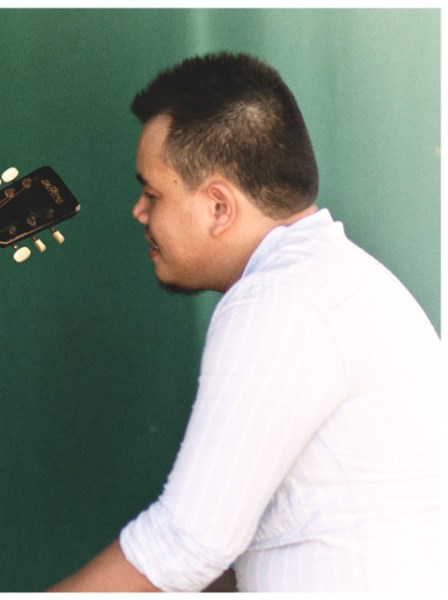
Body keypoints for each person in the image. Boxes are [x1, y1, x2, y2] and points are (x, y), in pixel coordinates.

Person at [49, 52, 440, 592]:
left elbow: (185, 545)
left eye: (153, 193)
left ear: (218, 207)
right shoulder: (335, 278)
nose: (140, 212)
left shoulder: (278, 298)